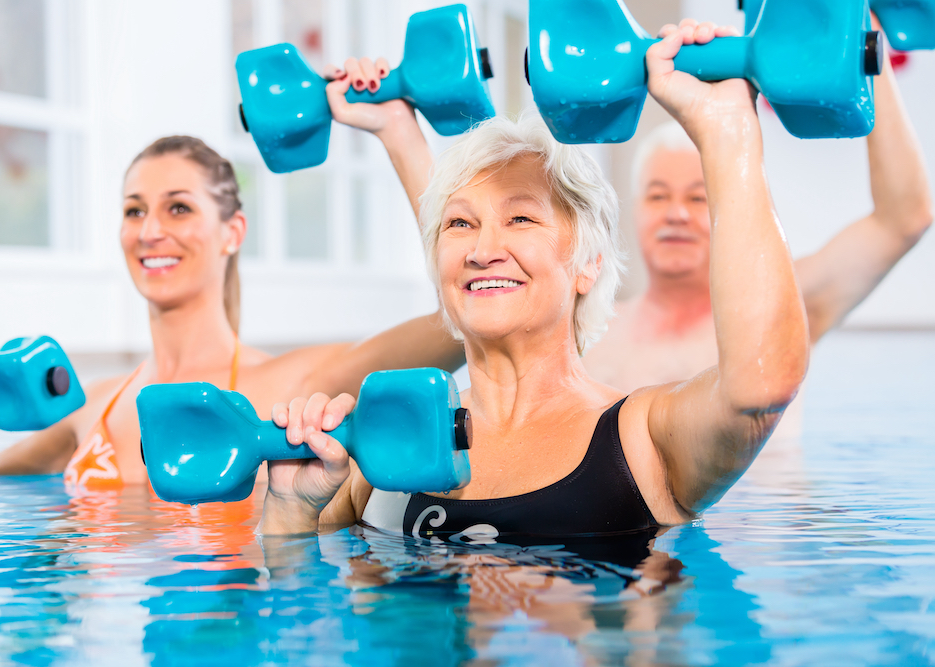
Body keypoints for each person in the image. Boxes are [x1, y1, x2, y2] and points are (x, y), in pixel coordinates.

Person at [254, 21, 810, 537]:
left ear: (587, 262)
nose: (482, 250)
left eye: (520, 218)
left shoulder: (642, 437)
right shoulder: (378, 448)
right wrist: (291, 508)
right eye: (459, 225)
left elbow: (758, 389)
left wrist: (727, 132)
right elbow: (291, 606)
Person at [0, 57, 460, 489]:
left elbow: (461, 317)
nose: (150, 231)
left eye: (179, 209)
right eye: (134, 210)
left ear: (233, 231)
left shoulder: (295, 387)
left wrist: (397, 130)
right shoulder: (94, 403)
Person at [581, 16, 932, 395]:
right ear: (634, 210)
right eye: (658, 196)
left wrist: (865, 38)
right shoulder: (589, 333)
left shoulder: (781, 309)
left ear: (729, 204)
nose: (676, 213)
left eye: (698, 198)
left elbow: (904, 219)